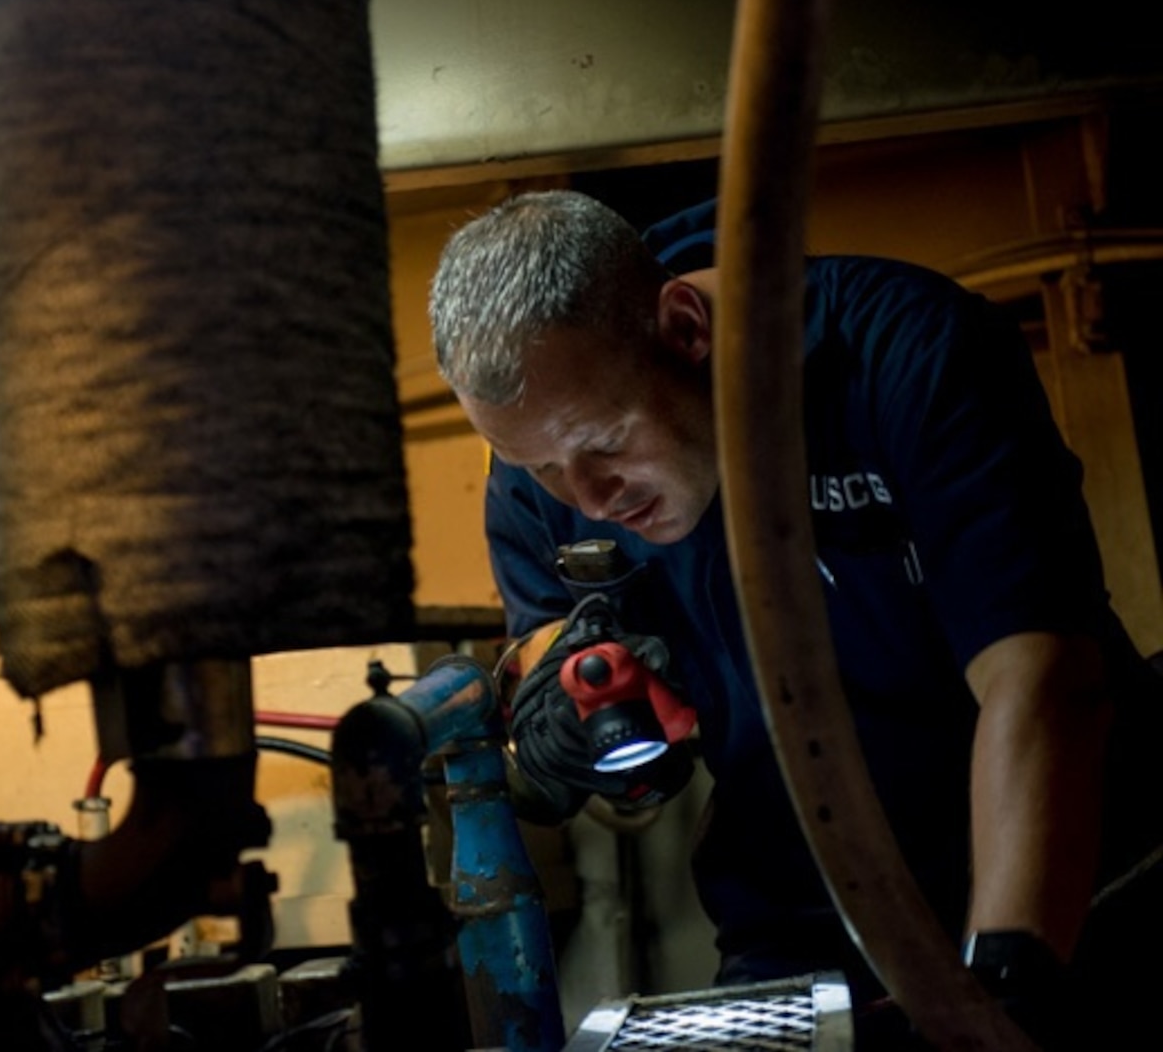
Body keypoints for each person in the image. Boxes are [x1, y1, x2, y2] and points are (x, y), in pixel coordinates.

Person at [428, 189, 1162, 1046]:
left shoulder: (902, 353)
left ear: (685, 330)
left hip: (1069, 886)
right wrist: (568, 723)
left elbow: (1040, 679)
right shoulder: (538, 469)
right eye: (543, 468)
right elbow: (557, 669)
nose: (587, 497)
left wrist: (1000, 989)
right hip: (802, 923)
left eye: (607, 443)